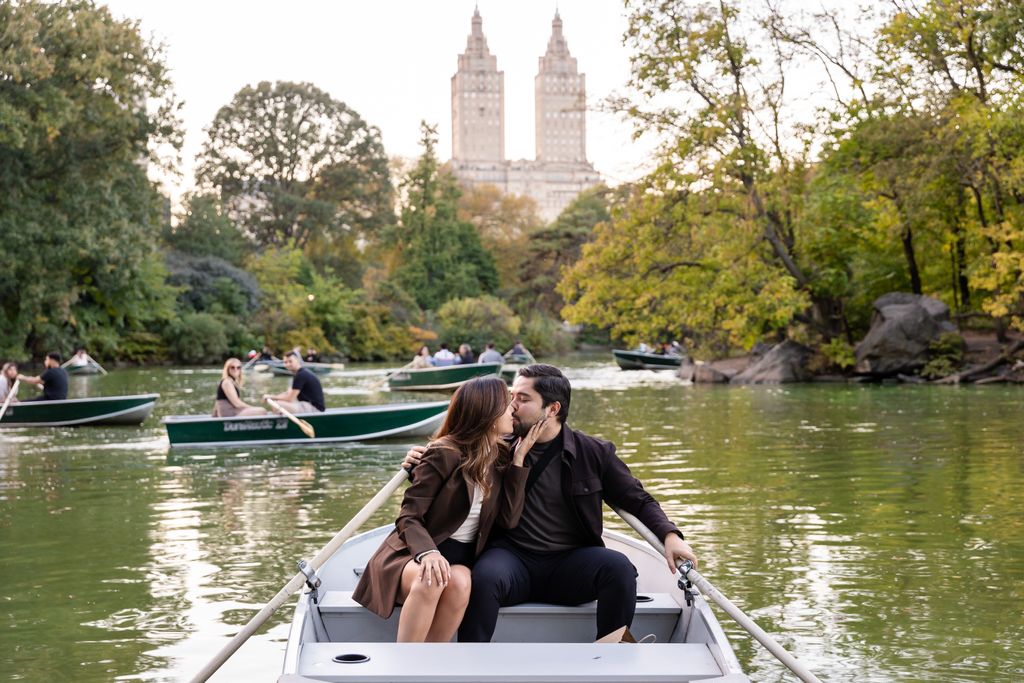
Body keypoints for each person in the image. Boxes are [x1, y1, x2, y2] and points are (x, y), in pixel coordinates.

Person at [404, 363, 698, 642]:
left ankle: (612, 657)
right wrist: (415, 463)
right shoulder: (498, 447)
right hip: (510, 558)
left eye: (522, 398)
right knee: (484, 576)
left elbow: (637, 499)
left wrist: (670, 535)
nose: (511, 406)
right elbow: (450, 464)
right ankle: (471, 663)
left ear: (552, 408)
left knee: (619, 568)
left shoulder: (594, 452)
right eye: (511, 397)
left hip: (570, 563)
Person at [354, 377, 547, 642]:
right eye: (507, 404)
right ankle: (404, 668)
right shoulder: (443, 452)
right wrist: (428, 553)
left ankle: (431, 666)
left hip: (459, 560)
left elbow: (509, 520)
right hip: (412, 556)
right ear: (488, 413)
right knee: (432, 578)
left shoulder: (500, 457)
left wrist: (518, 461)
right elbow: (409, 516)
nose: (513, 408)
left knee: (461, 583)